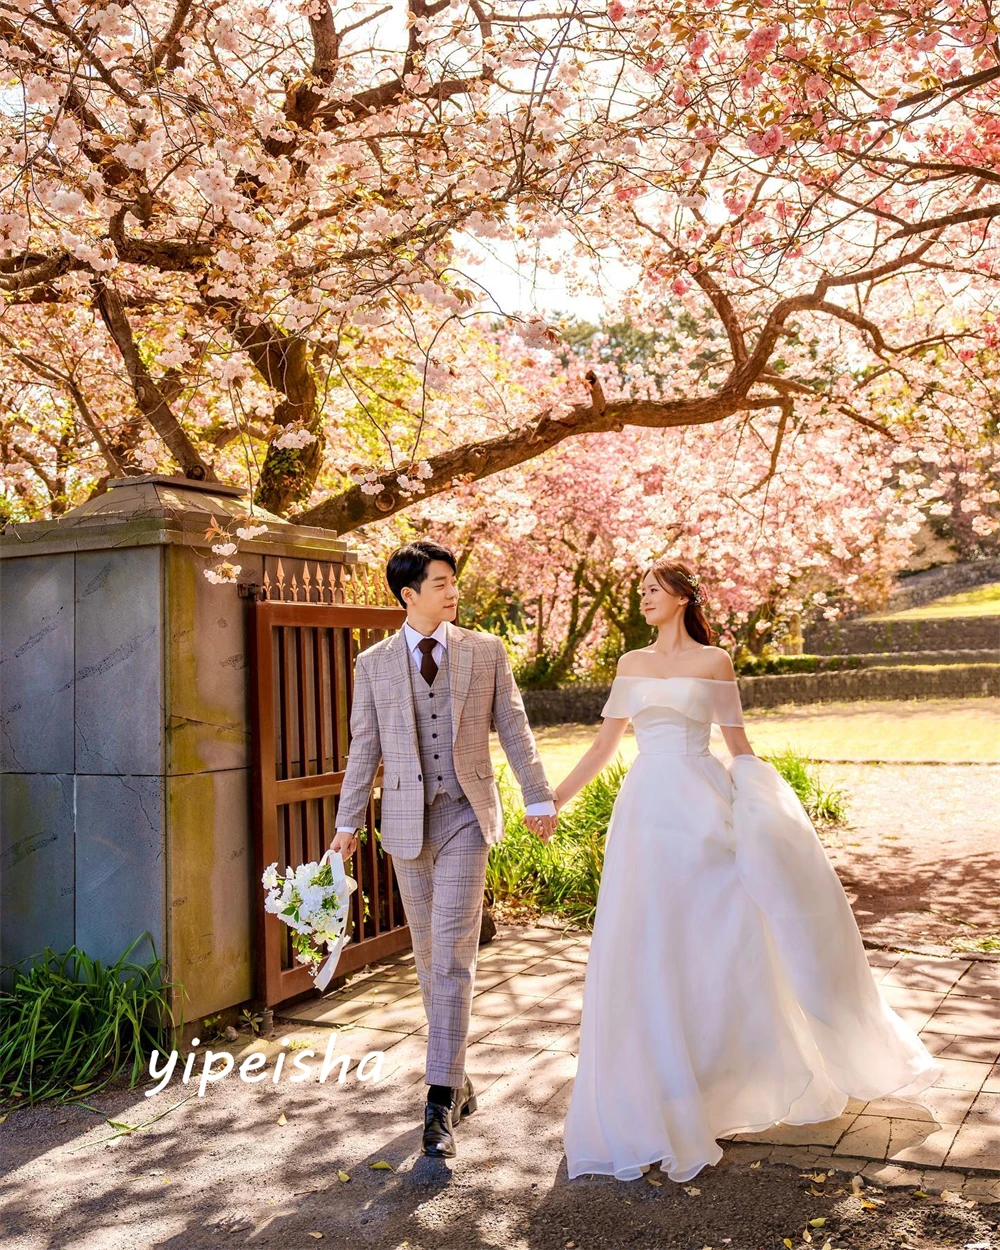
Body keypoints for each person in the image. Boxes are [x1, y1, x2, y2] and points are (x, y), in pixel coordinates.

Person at [556, 557, 942, 1183]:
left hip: (704, 806)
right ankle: (663, 1088)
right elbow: (604, 746)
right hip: (647, 812)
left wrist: (772, 819)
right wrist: (553, 801)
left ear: (683, 598)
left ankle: (722, 1080)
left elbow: (739, 748)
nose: (644, 599)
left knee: (725, 937)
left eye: (655, 590)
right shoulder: (631, 664)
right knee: (648, 941)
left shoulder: (715, 664)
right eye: (642, 591)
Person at [330, 540, 558, 1158]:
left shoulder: (484, 651)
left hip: (464, 816)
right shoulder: (373, 664)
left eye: (454, 581)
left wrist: (537, 796)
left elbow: (513, 723)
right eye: (440, 583)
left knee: (453, 953)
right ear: (409, 595)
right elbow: (363, 749)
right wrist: (347, 823)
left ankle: (435, 1100)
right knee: (429, 956)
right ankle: (457, 1077)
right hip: (405, 824)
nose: (453, 591)